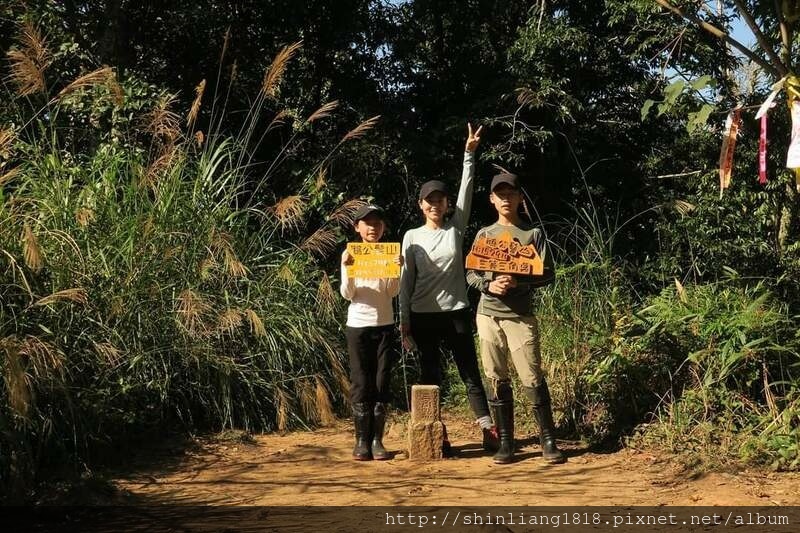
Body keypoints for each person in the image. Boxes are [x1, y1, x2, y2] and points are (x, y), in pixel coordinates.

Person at [399, 123, 497, 455]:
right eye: (429, 200)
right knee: (430, 376)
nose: (435, 204)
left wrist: (470, 153)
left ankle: (488, 429)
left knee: (469, 371)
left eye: (439, 199)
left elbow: (467, 189)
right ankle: (433, 435)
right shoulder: (411, 236)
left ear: (445, 204)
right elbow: (405, 281)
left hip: (456, 311)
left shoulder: (456, 228)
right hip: (422, 314)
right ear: (421, 205)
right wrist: (404, 322)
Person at [466, 172, 566, 464]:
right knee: (496, 376)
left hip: (521, 316)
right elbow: (471, 272)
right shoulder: (484, 235)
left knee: (531, 375)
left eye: (511, 193)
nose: (506, 198)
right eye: (500, 194)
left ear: (520, 197)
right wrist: (488, 285)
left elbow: (548, 274)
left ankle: (548, 440)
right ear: (492, 200)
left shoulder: (532, 234)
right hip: (488, 315)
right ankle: (506, 443)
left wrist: (519, 284)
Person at [340, 204, 403, 460]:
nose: (372, 228)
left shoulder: (389, 254)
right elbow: (347, 294)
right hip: (357, 325)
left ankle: (377, 440)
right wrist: (348, 269)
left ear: (383, 227)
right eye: (367, 224)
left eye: (377, 223)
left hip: (385, 325)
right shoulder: (349, 253)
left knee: (381, 380)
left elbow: (393, 292)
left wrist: (397, 269)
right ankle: (361, 441)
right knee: (360, 382)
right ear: (357, 228)